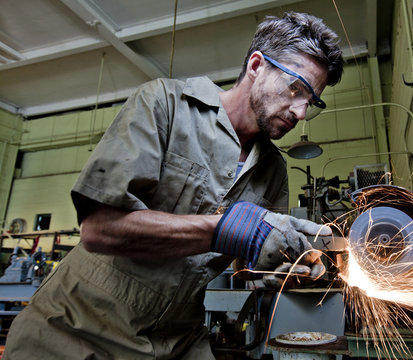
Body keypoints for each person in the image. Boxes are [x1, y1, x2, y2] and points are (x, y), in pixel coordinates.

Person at [4, 11, 344, 359]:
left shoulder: (272, 170)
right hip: (77, 330)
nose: (301, 113)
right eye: (295, 88)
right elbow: (98, 229)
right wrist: (223, 229)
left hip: (178, 339)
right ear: (256, 66)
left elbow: (247, 265)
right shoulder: (164, 105)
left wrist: (278, 270)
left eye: (311, 102)